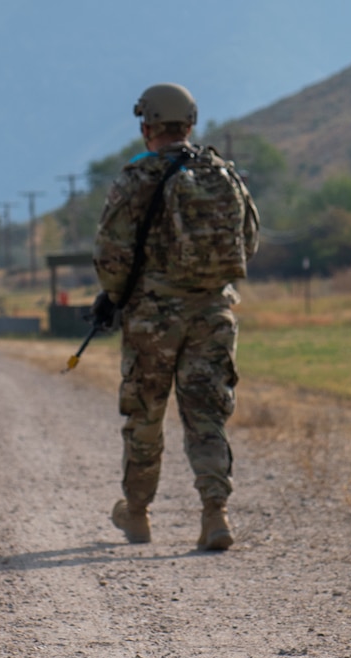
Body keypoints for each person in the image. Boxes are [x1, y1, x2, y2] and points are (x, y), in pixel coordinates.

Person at [93, 84, 259, 552]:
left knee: (145, 414)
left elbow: (110, 253)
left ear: (147, 128)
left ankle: (139, 514)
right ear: (190, 125)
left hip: (153, 319)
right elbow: (248, 241)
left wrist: (114, 295)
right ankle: (215, 514)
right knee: (207, 414)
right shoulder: (222, 173)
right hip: (213, 312)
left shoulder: (135, 178)